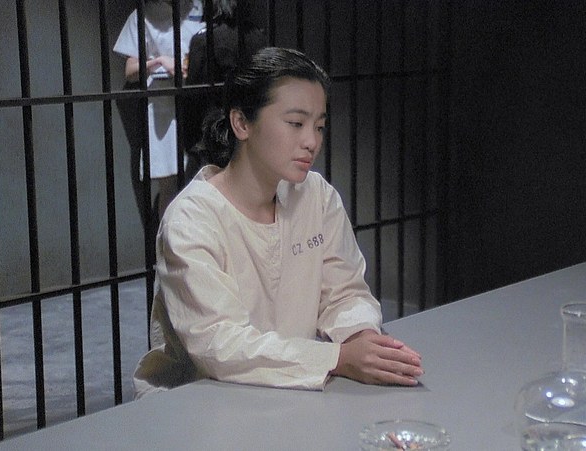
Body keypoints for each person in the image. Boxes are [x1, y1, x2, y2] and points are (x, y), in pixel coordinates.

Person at [133, 47, 424, 397]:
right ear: (242, 123)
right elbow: (219, 344)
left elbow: (345, 292)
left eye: (319, 126)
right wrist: (337, 358)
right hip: (198, 401)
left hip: (288, 391)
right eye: (296, 123)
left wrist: (362, 339)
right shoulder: (192, 218)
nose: (312, 141)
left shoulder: (317, 197)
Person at [113, 0, 206, 231]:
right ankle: (169, 243)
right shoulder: (143, 14)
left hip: (198, 101)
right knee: (170, 184)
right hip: (162, 106)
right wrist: (160, 62)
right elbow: (130, 71)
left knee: (203, 177)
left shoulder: (200, 7)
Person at [181, 0, 267, 172]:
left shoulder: (204, 40)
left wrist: (191, 144)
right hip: (251, 135)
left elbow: (193, 99)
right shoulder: (259, 38)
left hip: (213, 137)